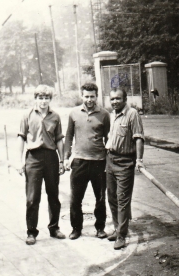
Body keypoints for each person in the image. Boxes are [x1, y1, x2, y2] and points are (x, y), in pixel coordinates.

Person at [16, 84, 66, 245]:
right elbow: (21, 138)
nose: (43, 101)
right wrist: (19, 161)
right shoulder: (27, 115)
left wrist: (62, 160)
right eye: (40, 98)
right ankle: (31, 232)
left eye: (46, 98)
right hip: (33, 158)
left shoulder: (55, 117)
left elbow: (59, 139)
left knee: (53, 195)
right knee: (32, 198)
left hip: (51, 157)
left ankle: (54, 228)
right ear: (35, 98)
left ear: (50, 99)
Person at [64, 83, 110, 240]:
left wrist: (109, 159)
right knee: (76, 198)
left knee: (100, 198)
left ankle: (100, 228)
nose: (89, 99)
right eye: (86, 96)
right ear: (81, 96)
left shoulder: (104, 114)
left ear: (96, 96)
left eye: (92, 96)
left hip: (99, 162)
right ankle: (76, 229)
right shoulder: (74, 113)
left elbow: (109, 138)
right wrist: (66, 157)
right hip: (79, 162)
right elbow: (69, 136)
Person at [106, 87, 145, 250]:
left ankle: (122, 235)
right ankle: (117, 228)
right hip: (110, 160)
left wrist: (139, 159)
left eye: (118, 99)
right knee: (112, 198)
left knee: (122, 199)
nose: (115, 101)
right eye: (112, 99)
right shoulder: (111, 115)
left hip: (125, 162)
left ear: (125, 99)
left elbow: (138, 138)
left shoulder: (132, 114)